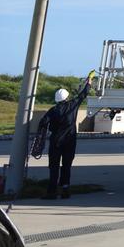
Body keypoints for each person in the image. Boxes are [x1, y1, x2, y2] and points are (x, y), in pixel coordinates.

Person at [37, 71, 94, 199]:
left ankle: (51, 192)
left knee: (54, 166)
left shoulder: (53, 110)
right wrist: (89, 80)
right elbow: (83, 94)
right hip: (70, 141)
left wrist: (45, 131)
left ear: (56, 99)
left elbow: (43, 123)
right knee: (66, 165)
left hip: (55, 141)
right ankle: (65, 189)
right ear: (67, 97)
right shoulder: (73, 105)